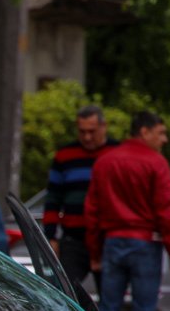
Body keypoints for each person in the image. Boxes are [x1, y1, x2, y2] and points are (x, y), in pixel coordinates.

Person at [85, 111, 170, 311]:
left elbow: (93, 211)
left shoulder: (106, 161)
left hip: (113, 242)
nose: (164, 140)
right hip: (145, 244)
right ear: (145, 131)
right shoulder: (156, 162)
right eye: (161, 133)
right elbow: (166, 212)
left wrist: (95, 251)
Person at [43, 105, 119, 290]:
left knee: (110, 295)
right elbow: (53, 198)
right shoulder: (65, 156)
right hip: (74, 239)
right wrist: (51, 236)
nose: (87, 137)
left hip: (107, 239)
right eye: (82, 131)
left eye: (92, 131)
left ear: (103, 127)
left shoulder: (117, 153)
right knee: (65, 292)